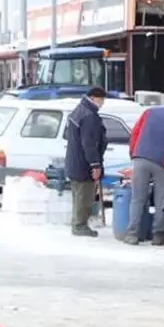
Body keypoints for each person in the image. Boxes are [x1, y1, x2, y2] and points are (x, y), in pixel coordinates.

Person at [125, 97, 164, 245]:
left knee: (138, 198)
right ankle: (158, 236)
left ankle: (132, 234)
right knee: (162, 200)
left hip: (140, 158)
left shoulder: (150, 112)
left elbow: (135, 133)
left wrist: (134, 154)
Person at [65, 85, 108, 238]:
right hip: (84, 163)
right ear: (93, 98)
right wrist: (95, 164)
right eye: (101, 99)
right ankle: (80, 225)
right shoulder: (89, 116)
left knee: (78, 194)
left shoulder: (78, 111)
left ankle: (76, 222)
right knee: (84, 195)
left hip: (74, 160)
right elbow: (89, 143)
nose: (102, 103)